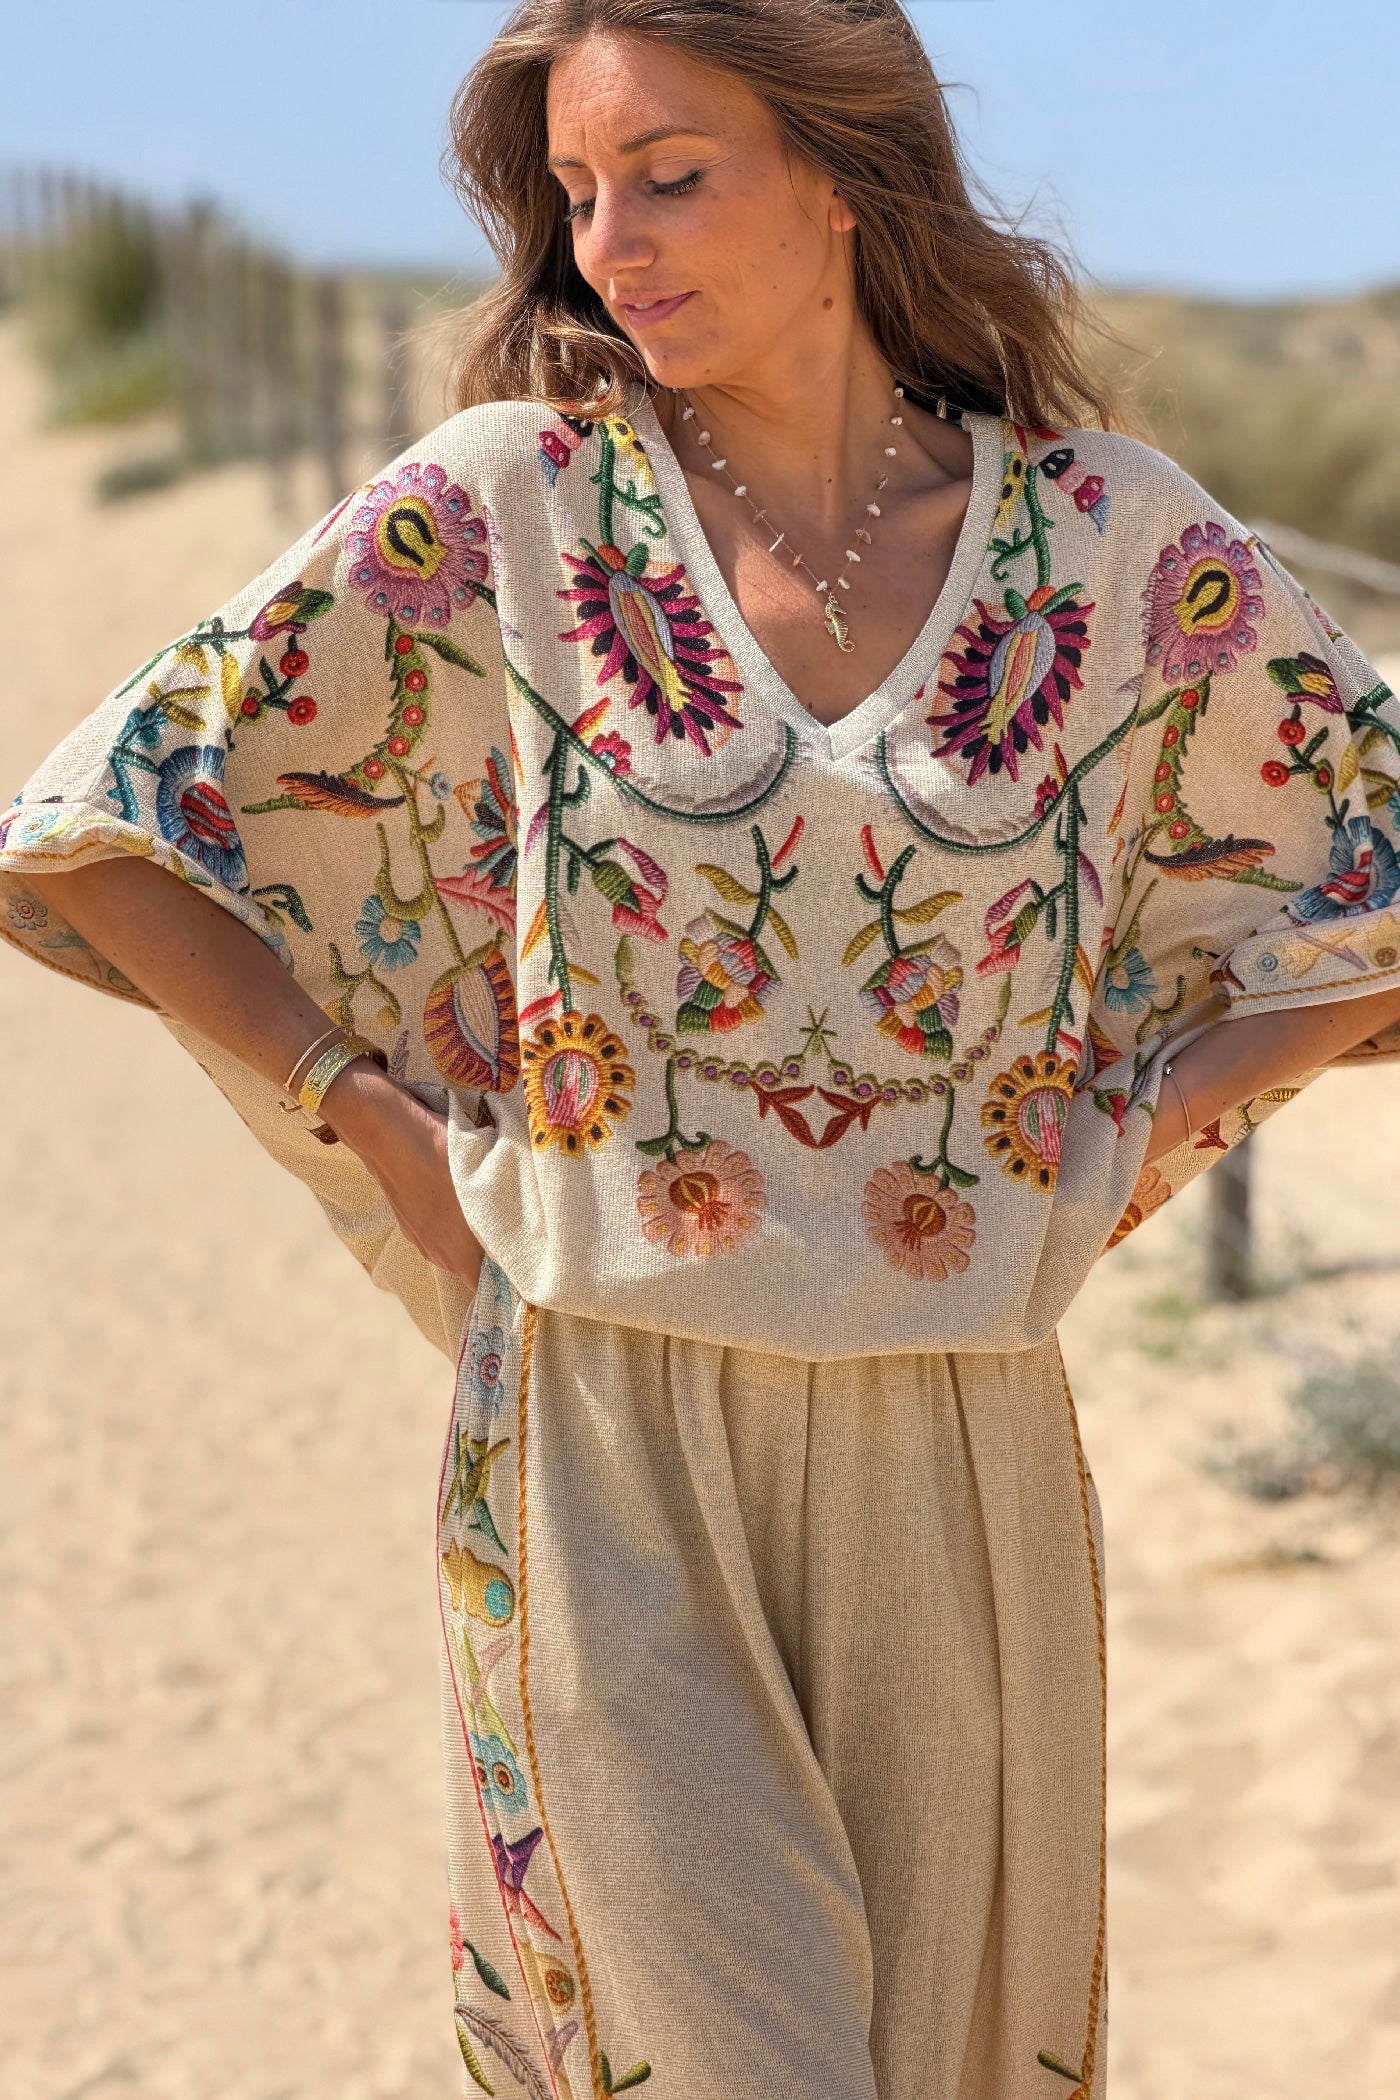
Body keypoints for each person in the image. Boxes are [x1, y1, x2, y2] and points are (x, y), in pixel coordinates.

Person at [5, 2, 1399, 2094]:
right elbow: (104, 824)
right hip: (607, 1438)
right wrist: (367, 1119)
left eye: (669, 174)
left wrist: (1157, 1127)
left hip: (961, 1448)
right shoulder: (507, 513)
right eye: (576, 196)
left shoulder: (1113, 545)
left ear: (843, 182)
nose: (610, 245)